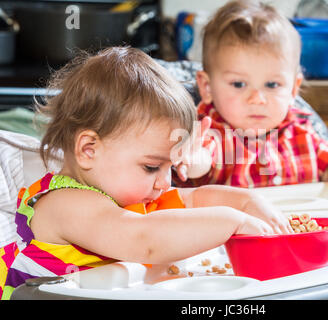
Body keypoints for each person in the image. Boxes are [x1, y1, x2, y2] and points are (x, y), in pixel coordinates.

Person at [0, 47, 293, 300]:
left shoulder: (122, 190)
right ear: (89, 149)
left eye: (170, 166)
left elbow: (195, 199)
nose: (165, 182)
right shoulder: (65, 203)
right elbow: (144, 241)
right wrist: (234, 221)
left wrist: (245, 202)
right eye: (152, 167)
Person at [173, 0, 328, 188]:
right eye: (239, 84)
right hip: (227, 254)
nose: (257, 98)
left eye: (272, 85)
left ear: (293, 89)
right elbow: (201, 161)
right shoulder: (210, 132)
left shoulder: (301, 131)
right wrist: (190, 156)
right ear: (206, 87)